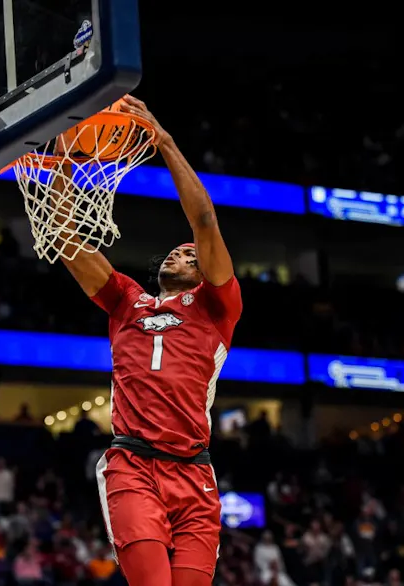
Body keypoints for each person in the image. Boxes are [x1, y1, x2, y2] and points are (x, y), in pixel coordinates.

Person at [51, 95, 242, 586]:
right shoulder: (125, 301)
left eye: (188, 256)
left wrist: (165, 141)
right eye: (173, 253)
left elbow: (203, 223)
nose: (178, 256)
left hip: (195, 475)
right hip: (133, 463)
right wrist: (63, 163)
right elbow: (69, 245)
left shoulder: (216, 308)